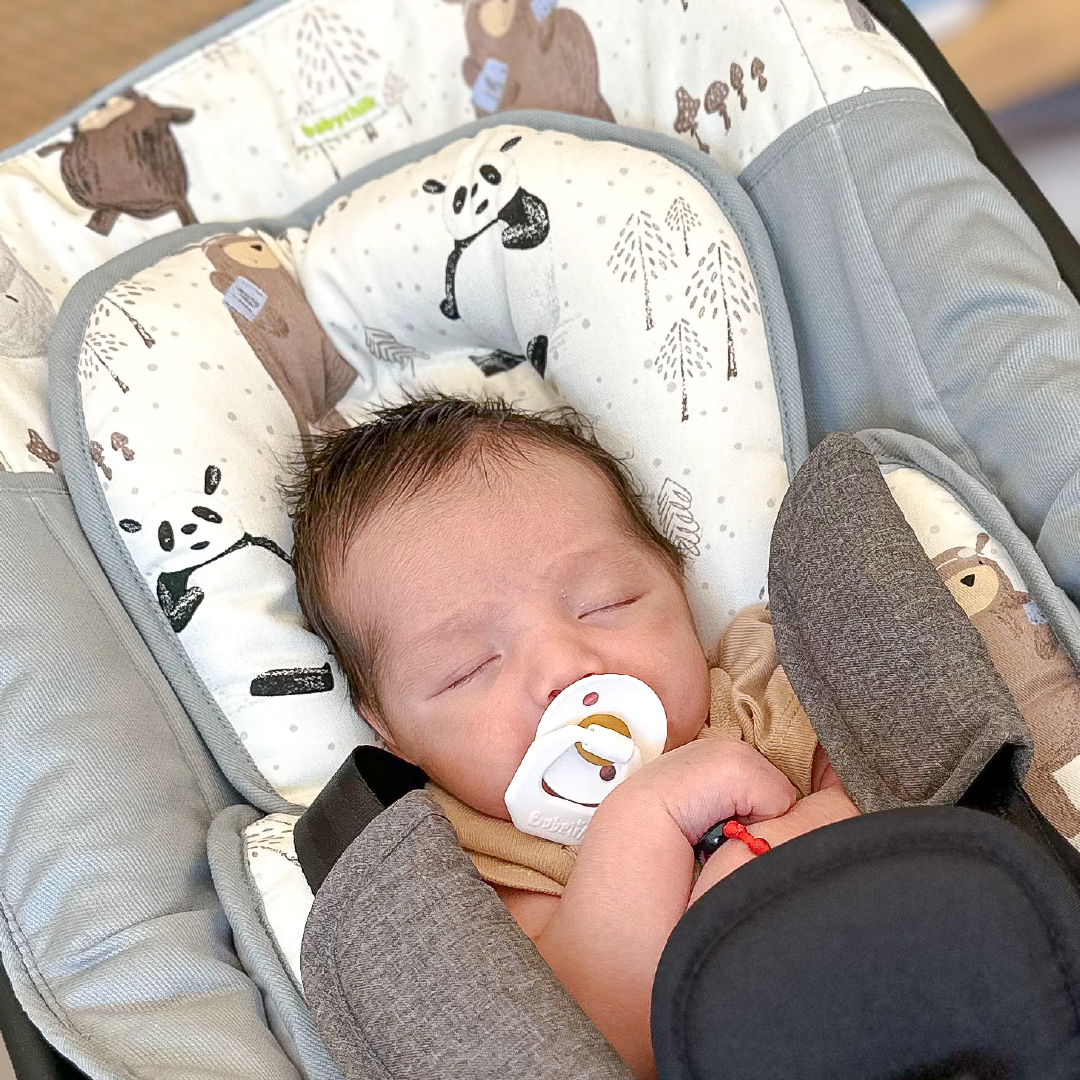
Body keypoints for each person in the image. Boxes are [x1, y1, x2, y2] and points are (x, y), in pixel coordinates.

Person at [286, 393, 858, 1080]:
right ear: (394, 736)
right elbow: (596, 1042)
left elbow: (907, 793)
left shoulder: (765, 683)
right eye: (470, 667)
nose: (564, 666)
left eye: (606, 603)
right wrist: (644, 819)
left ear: (676, 584)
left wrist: (807, 834)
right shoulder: (471, 868)